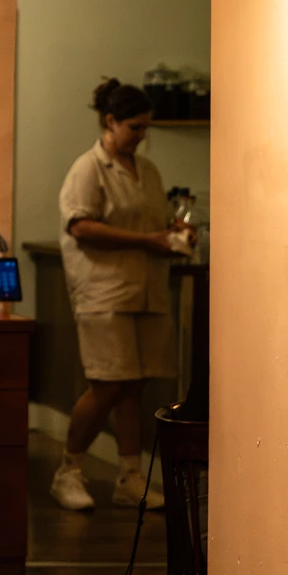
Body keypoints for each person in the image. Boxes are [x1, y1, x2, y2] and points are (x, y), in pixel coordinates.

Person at [49, 79, 184, 512]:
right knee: (107, 384)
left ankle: (129, 477)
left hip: (146, 289)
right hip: (104, 291)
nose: (142, 135)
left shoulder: (149, 172)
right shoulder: (88, 168)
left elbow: (153, 225)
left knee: (134, 385)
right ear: (110, 121)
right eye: (134, 127)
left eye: (146, 127)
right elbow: (80, 226)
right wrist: (147, 240)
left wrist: (175, 235)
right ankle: (68, 470)